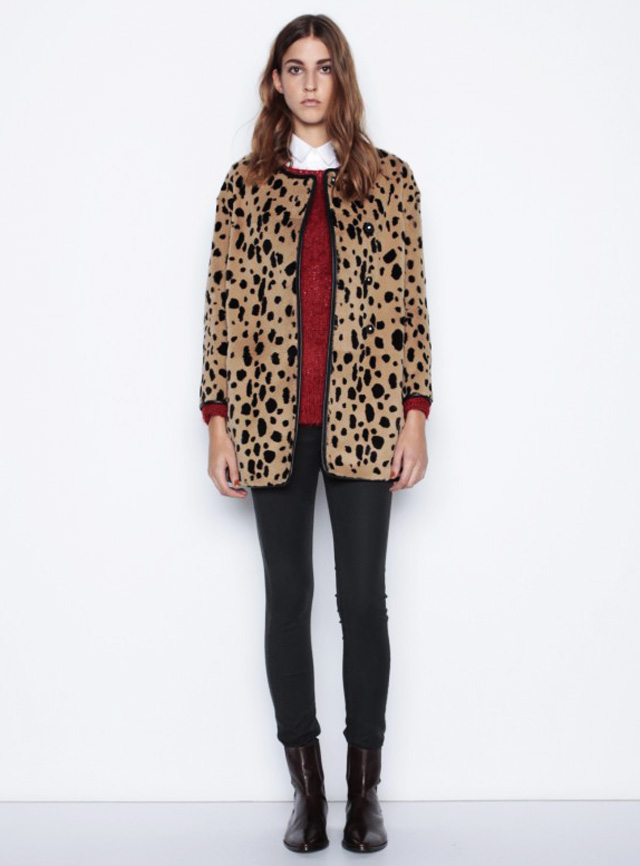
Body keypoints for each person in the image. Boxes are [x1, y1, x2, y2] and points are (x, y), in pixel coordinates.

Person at [199, 13, 433, 854]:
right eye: (294, 68)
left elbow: (410, 306)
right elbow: (222, 309)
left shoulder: (390, 180)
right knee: (288, 598)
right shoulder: (244, 186)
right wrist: (218, 423)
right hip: (269, 422)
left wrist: (415, 415)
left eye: (323, 67)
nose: (308, 82)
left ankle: (365, 795)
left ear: (341, 78)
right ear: (275, 81)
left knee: (361, 601)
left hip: (366, 418)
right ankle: (307, 793)